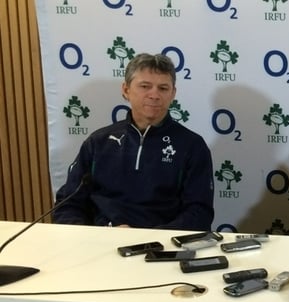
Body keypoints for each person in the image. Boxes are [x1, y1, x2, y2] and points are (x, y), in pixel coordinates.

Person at [53, 53, 214, 230]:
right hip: (103, 243)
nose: (154, 95)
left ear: (173, 94)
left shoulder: (192, 146)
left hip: (163, 248)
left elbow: (199, 213)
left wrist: (146, 239)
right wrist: (94, 237)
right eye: (145, 86)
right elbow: (68, 205)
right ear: (126, 90)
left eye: (163, 88)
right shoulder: (98, 142)